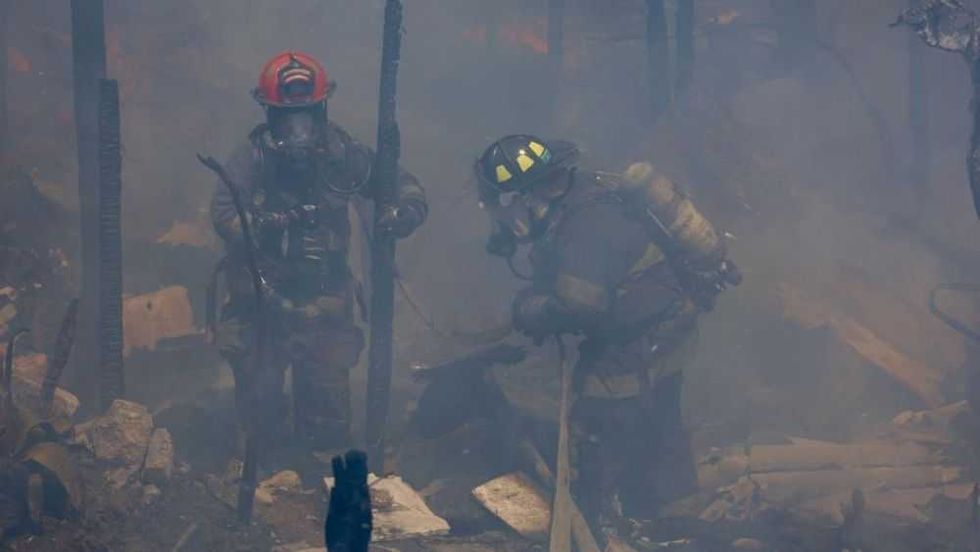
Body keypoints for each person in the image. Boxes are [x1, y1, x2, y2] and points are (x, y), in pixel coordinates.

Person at [474, 135, 740, 534]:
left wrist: (531, 310)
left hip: (640, 336)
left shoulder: (587, 227)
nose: (499, 217)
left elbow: (580, 305)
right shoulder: (577, 202)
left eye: (501, 204)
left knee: (602, 419)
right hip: (658, 325)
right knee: (657, 415)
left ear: (525, 196)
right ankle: (665, 510)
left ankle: (608, 520)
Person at [210, 52, 427, 452]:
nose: (299, 129)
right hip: (261, 303)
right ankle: (264, 489)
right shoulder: (251, 159)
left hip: (324, 303)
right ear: (269, 113)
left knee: (326, 427)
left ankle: (319, 490)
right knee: (261, 424)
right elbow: (223, 214)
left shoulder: (343, 156)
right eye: (288, 117)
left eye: (308, 115)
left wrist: (406, 211)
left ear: (322, 108)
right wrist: (267, 228)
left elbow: (397, 182)